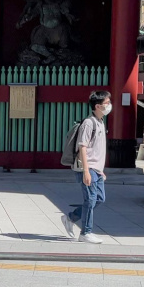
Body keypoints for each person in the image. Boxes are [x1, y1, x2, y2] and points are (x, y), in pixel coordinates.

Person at [61, 90, 109, 244]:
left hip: (96, 170)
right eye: (106, 103)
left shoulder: (100, 123)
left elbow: (97, 150)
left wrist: (101, 171)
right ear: (97, 106)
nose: (109, 106)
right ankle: (85, 233)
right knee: (90, 199)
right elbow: (83, 147)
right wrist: (86, 171)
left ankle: (71, 217)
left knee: (99, 199)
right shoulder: (89, 123)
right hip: (86, 168)